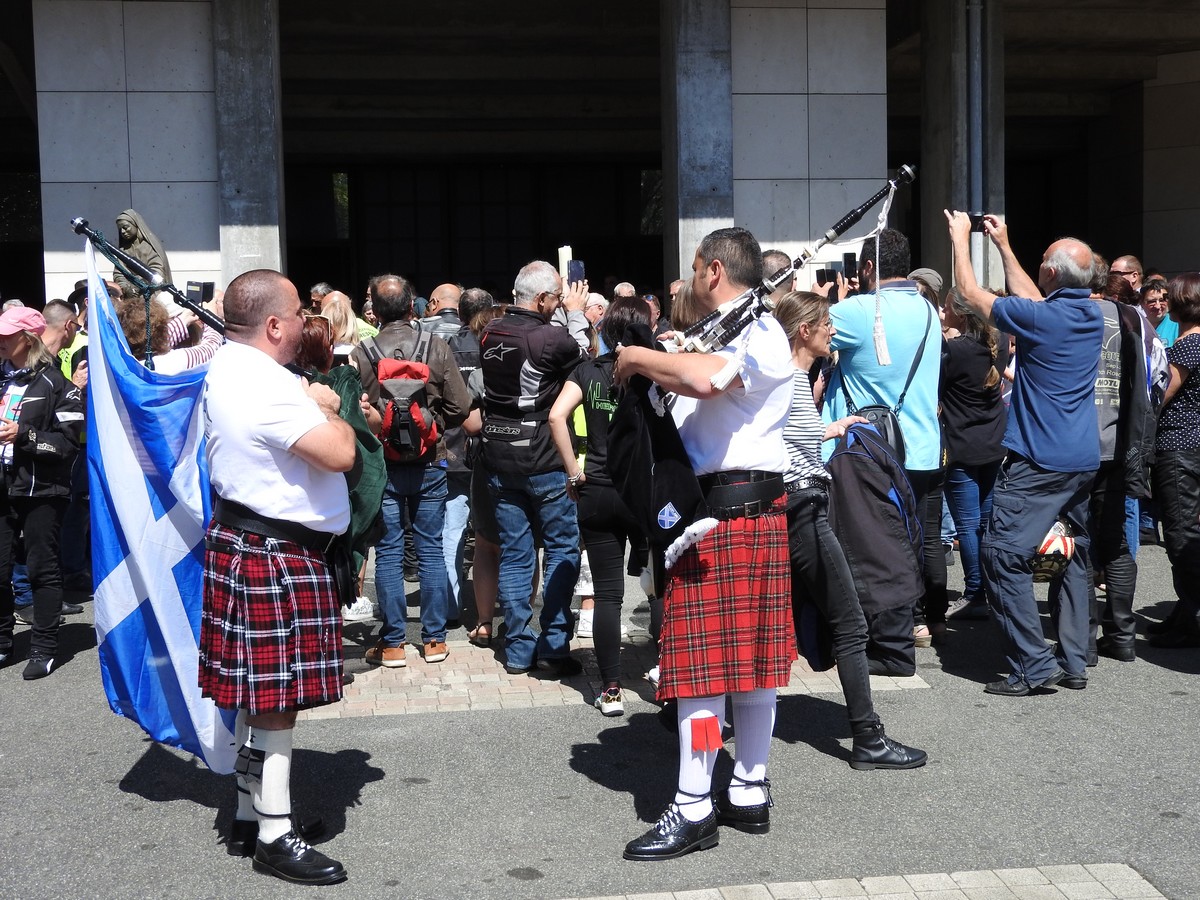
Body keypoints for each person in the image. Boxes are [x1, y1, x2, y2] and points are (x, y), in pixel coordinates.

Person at [614, 227, 795, 860]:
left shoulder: (761, 332)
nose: (691, 280)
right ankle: (748, 789)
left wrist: (639, 359)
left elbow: (708, 382)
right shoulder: (731, 328)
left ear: (713, 271)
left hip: (729, 513)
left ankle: (697, 806)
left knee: (701, 669)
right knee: (743, 662)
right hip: (726, 512)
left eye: (695, 269)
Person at [198, 269, 355, 884]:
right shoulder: (268, 386)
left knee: (257, 696)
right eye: (298, 312)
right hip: (275, 551)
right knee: (277, 702)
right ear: (273, 325)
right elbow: (341, 453)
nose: (305, 322)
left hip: (255, 540)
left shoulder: (228, 366)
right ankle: (275, 833)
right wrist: (329, 407)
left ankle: (249, 814)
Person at [946, 210, 1103, 695]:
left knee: (1002, 554)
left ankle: (1033, 663)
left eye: (1041, 263)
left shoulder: (1043, 317)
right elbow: (1033, 299)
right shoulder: (1087, 315)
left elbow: (971, 296)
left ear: (1052, 272)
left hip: (1039, 460)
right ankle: (1075, 658)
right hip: (1081, 459)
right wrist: (1004, 246)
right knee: (1073, 553)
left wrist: (960, 240)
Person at [772, 290, 926, 769]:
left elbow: (789, 433)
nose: (832, 331)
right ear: (804, 331)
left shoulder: (789, 379)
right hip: (802, 509)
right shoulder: (789, 379)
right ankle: (867, 738)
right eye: (825, 324)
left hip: (792, 507)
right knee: (851, 623)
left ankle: (691, 706)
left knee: (773, 619)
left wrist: (831, 428)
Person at [821, 230, 943, 673]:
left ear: (868, 268)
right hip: (923, 448)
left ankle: (890, 648)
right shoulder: (929, 309)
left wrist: (825, 300)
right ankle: (909, 627)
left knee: (874, 548)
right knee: (907, 543)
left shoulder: (857, 311)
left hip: (871, 451)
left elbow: (801, 335)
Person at [351, 274, 469, 669]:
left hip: (382, 462)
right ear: (411, 305)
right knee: (431, 547)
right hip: (430, 460)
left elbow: (355, 408)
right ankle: (434, 640)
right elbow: (460, 407)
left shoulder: (362, 350)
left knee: (387, 553)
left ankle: (394, 644)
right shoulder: (434, 346)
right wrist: (431, 425)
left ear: (374, 308)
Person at [548, 296, 650, 717]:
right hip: (641, 492)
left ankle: (610, 688)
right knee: (660, 586)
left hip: (596, 488)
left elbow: (556, 417)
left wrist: (574, 473)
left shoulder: (586, 370)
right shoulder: (649, 372)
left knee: (608, 594)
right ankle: (666, 672)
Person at [0, 308, 84, 679]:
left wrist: (24, 436)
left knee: (42, 569)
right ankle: (3, 642)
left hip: (42, 491)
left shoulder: (57, 385)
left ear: (28, 339)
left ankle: (43, 647)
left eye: (6, 334)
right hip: (3, 487)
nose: (0, 339)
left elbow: (66, 446)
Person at [939, 288, 1007, 621]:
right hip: (994, 444)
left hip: (962, 447)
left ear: (961, 314)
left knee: (967, 526)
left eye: (947, 307)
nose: (942, 311)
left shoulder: (952, 351)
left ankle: (975, 592)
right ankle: (992, 591)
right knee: (986, 522)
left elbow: (935, 389)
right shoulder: (999, 344)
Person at [1145, 273, 1200, 648]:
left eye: (1170, 296)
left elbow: (1161, 395)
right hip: (1189, 446)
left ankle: (1192, 618)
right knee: (1185, 530)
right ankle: (1185, 611)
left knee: (1181, 534)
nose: (1165, 300)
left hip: (1179, 448)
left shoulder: (1187, 347)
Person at [113, 209, 172, 302]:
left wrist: (139, 283)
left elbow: (158, 271)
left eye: (125, 227)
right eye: (120, 230)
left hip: (152, 295)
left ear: (135, 224)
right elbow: (118, 273)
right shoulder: (123, 250)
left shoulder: (149, 247)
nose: (123, 232)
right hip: (131, 298)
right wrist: (126, 288)